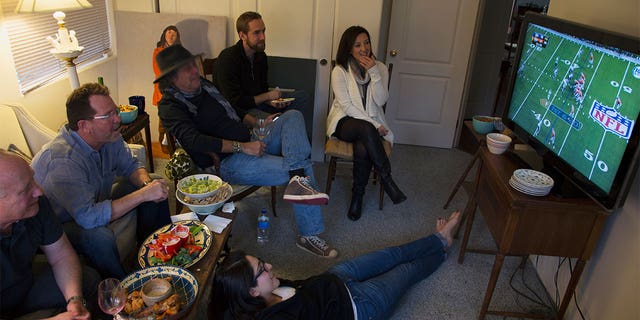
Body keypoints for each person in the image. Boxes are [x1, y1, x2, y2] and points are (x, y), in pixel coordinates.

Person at [155, 44, 338, 258]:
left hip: (251, 136)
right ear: (171, 79)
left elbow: (229, 109)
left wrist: (257, 121)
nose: (195, 70)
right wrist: (243, 147)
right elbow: (195, 141)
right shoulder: (170, 107)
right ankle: (308, 233)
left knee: (293, 116)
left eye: (192, 65)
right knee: (302, 167)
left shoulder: (202, 86)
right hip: (227, 161)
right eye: (186, 69)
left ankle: (298, 182)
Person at [31, 83, 172, 279]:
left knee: (155, 182)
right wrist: (142, 195)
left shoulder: (109, 136)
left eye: (115, 111)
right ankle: (123, 286)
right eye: (108, 115)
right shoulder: (62, 161)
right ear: (84, 125)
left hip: (93, 202)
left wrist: (147, 187)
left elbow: (131, 166)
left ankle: (159, 253)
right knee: (99, 237)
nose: (118, 118)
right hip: (61, 224)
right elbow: (87, 217)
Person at [212, 210, 461, 320]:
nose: (269, 266)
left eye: (261, 262)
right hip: (360, 306)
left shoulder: (255, 296)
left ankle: (438, 239)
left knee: (392, 254)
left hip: (336, 278)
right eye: (261, 270)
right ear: (252, 291)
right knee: (406, 271)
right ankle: (443, 249)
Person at [0, 150, 100, 319]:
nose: (39, 191)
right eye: (25, 189)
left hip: (24, 286)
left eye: (33, 178)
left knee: (88, 280)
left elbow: (61, 254)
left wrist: (74, 300)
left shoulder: (36, 206)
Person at [326, 26, 406, 221]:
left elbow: (381, 100)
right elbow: (346, 106)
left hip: (369, 127)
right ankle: (387, 179)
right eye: (358, 45)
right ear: (349, 48)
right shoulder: (340, 70)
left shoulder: (379, 68)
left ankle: (357, 197)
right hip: (345, 122)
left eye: (367, 42)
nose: (364, 48)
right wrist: (372, 124)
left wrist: (374, 72)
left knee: (363, 146)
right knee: (366, 128)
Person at [213, 11, 307, 116]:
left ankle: (282, 125)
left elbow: (262, 89)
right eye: (257, 33)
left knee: (302, 96)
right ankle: (280, 124)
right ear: (242, 36)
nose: (263, 37)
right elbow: (234, 102)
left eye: (263, 31)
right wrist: (267, 97)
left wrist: (271, 101)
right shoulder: (228, 59)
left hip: (259, 104)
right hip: (240, 112)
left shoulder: (260, 56)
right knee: (288, 117)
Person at [153, 25, 181, 154]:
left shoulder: (180, 51)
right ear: (164, 35)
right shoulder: (158, 52)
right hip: (163, 91)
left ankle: (175, 144)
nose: (171, 35)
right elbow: (160, 71)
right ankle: (164, 148)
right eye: (169, 33)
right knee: (163, 121)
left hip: (178, 90)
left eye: (174, 34)